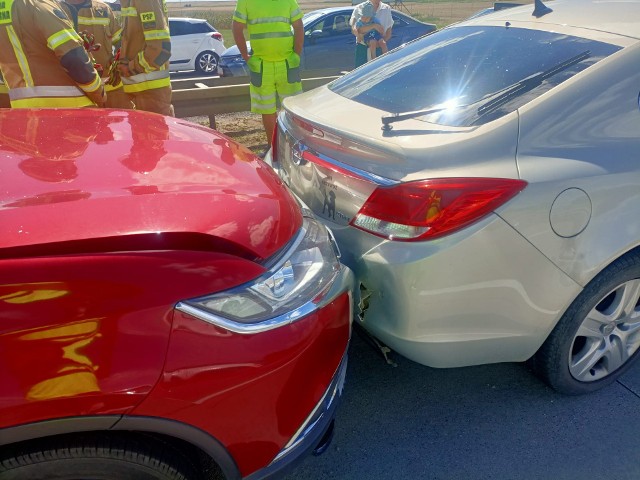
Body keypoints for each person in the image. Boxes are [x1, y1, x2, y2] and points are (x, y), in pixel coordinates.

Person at [0, 0, 106, 108]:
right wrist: (98, 92)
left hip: (23, 108)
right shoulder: (38, 5)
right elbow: (73, 57)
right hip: (69, 108)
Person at [232, 0, 304, 149]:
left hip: (287, 63)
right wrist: (246, 57)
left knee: (292, 109)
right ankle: (275, 148)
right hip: (261, 65)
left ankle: (292, 148)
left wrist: (296, 55)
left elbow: (299, 26)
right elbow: (236, 28)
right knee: (267, 109)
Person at [61, 0, 134, 109]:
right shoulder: (55, 10)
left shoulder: (103, 10)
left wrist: (117, 64)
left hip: (111, 88)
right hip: (74, 92)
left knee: (121, 122)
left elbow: (121, 42)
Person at [118, 0, 173, 115]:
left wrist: (130, 68)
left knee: (155, 132)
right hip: (141, 93)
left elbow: (161, 49)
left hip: (151, 94)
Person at [350, 0, 394, 68]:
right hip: (362, 49)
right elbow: (354, 30)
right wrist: (373, 26)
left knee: (380, 75)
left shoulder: (386, 9)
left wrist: (379, 44)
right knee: (361, 76)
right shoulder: (359, 8)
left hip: (379, 49)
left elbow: (388, 32)